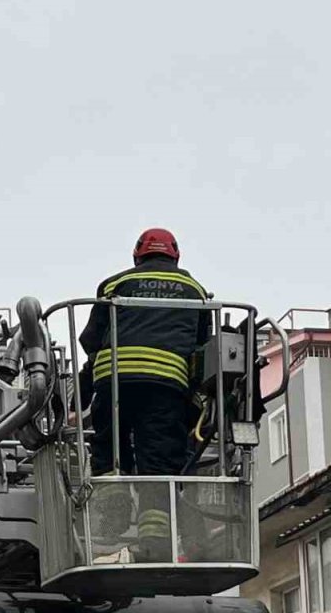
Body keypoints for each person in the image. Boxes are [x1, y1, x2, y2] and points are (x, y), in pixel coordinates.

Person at [77, 227, 211, 562]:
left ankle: (112, 521)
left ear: (138, 255)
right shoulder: (195, 289)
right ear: (175, 255)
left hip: (113, 381)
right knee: (158, 464)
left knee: (110, 448)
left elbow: (91, 340)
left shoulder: (115, 284)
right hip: (165, 387)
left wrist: (83, 389)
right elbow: (202, 348)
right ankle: (155, 543)